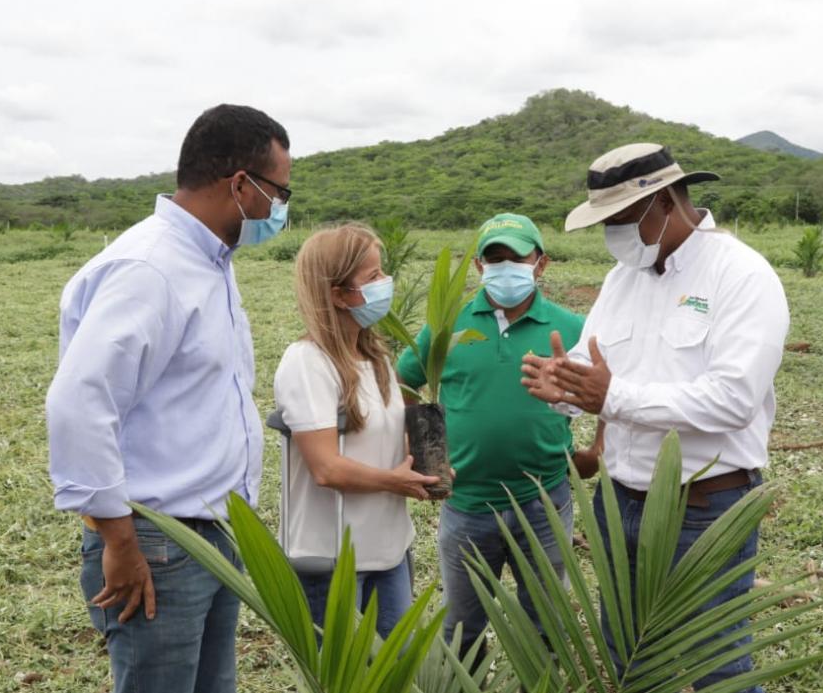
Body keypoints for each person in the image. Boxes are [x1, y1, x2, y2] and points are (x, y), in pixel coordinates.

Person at [521, 143, 789, 692]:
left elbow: (732, 399)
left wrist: (610, 397)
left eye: (620, 220)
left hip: (704, 507)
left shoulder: (741, 276)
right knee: (627, 655)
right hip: (619, 504)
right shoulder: (625, 276)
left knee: (718, 664)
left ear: (665, 201)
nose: (613, 236)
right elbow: (592, 361)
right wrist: (562, 386)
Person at [46, 104, 292, 693]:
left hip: (212, 533)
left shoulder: (208, 261)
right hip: (159, 542)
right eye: (279, 191)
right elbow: (79, 403)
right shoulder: (151, 268)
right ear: (240, 185)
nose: (279, 208)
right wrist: (119, 539)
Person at [397, 213, 597, 660]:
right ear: (478, 268)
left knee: (545, 625)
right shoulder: (447, 326)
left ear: (540, 264)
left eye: (516, 258)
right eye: (494, 259)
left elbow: (610, 387)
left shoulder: (573, 327)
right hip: (467, 503)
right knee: (462, 629)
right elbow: (406, 383)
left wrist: (598, 451)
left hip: (545, 499)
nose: (505, 268)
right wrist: (424, 453)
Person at [274, 223, 440, 639]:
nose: (385, 283)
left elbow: (386, 437)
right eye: (372, 277)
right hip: (332, 560)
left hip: (388, 549)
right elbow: (327, 468)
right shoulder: (307, 362)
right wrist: (393, 481)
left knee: (395, 670)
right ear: (337, 294)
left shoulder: (377, 357)